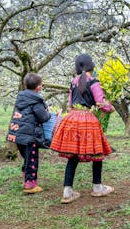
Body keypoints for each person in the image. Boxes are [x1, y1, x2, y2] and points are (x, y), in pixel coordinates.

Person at [49, 54, 114, 204]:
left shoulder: (73, 82)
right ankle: (97, 188)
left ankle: (67, 191)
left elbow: (71, 104)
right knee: (97, 152)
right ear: (92, 66)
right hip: (88, 121)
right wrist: (110, 108)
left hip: (72, 119)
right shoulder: (94, 82)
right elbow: (100, 103)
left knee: (73, 155)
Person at [6, 73, 51, 194]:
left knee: (27, 158)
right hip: (30, 136)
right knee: (32, 159)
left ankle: (26, 179)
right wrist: (49, 113)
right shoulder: (36, 100)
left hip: (18, 135)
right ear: (38, 87)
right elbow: (43, 117)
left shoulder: (21, 97)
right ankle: (30, 185)